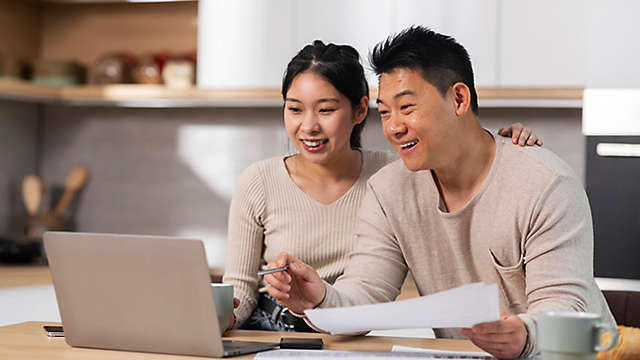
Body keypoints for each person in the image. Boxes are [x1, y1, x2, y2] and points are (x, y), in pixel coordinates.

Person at [264, 26, 615, 359]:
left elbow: (567, 307)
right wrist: (319, 298)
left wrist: (524, 334)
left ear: (459, 99)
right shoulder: (390, 190)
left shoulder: (543, 184)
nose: (393, 127)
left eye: (407, 107)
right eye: (385, 113)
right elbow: (366, 293)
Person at [224, 39, 542, 333]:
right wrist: (220, 316)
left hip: (353, 330)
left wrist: (501, 150)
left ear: (360, 110)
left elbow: (455, 155)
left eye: (325, 110)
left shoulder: (397, 177)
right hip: (275, 330)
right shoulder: (259, 181)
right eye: (295, 109)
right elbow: (239, 289)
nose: (308, 126)